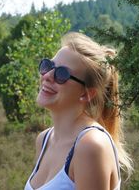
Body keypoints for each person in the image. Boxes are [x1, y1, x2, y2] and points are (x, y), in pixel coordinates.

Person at [24, 32, 133, 190]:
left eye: (62, 74)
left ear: (87, 94)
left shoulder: (91, 146)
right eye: (48, 65)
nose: (47, 75)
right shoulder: (44, 140)